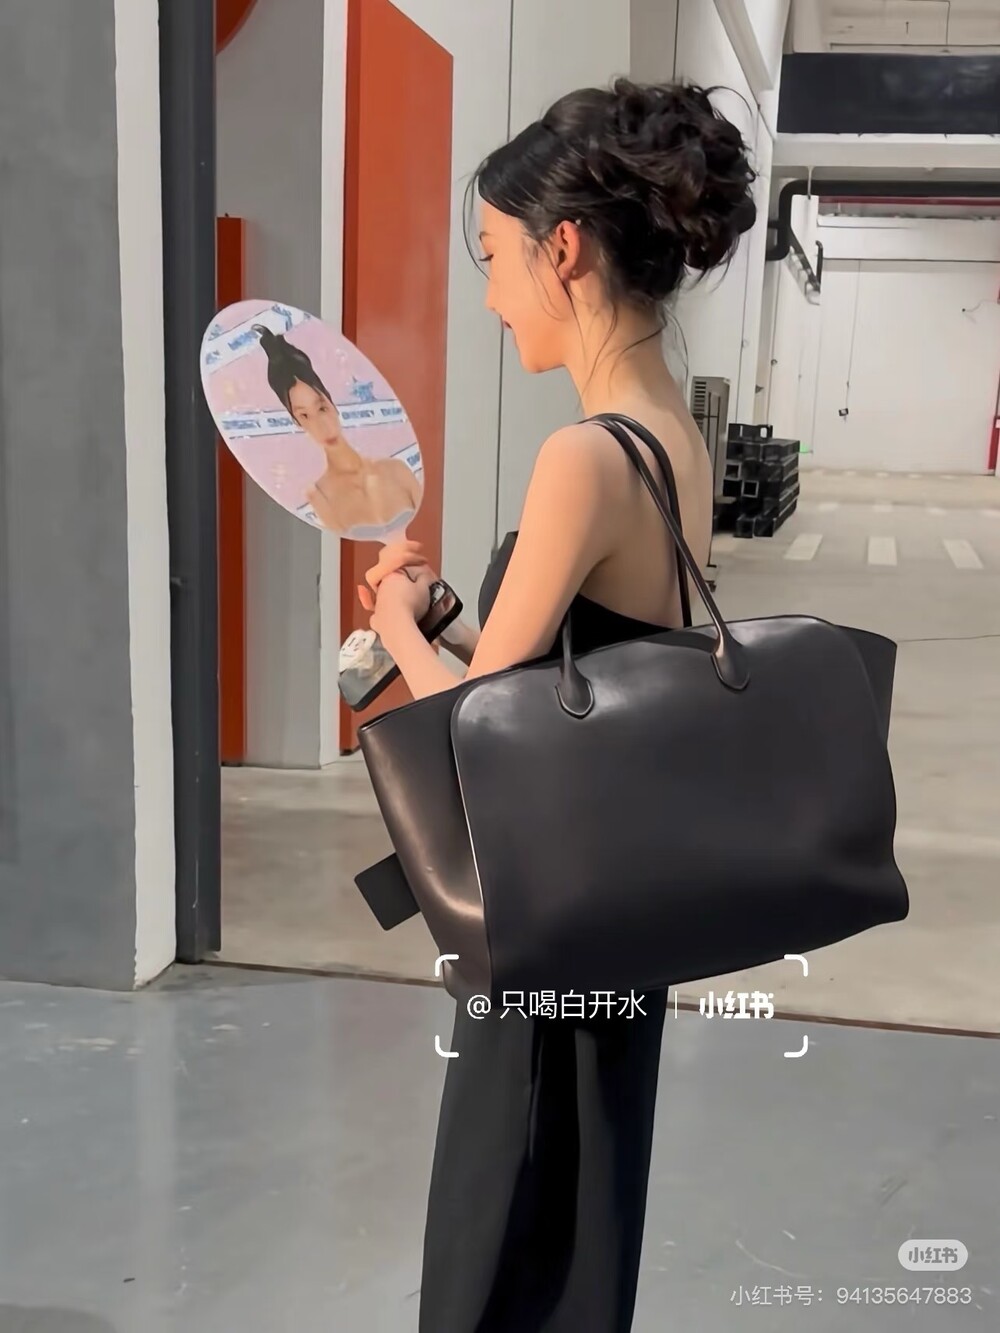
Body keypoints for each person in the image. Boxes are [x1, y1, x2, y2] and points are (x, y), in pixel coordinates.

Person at [358, 78, 756, 1332]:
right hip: (614, 912)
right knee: (579, 1218)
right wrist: (448, 620)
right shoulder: (665, 435)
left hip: (543, 922)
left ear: (564, 248)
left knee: (505, 1225)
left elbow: (481, 726)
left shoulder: (581, 454)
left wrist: (392, 629)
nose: (489, 295)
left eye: (493, 257)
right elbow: (588, 668)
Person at [253, 325, 422, 535]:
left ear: (332, 403)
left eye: (322, 408)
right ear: (296, 422)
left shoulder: (396, 469)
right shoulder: (319, 496)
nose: (321, 426)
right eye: (304, 416)